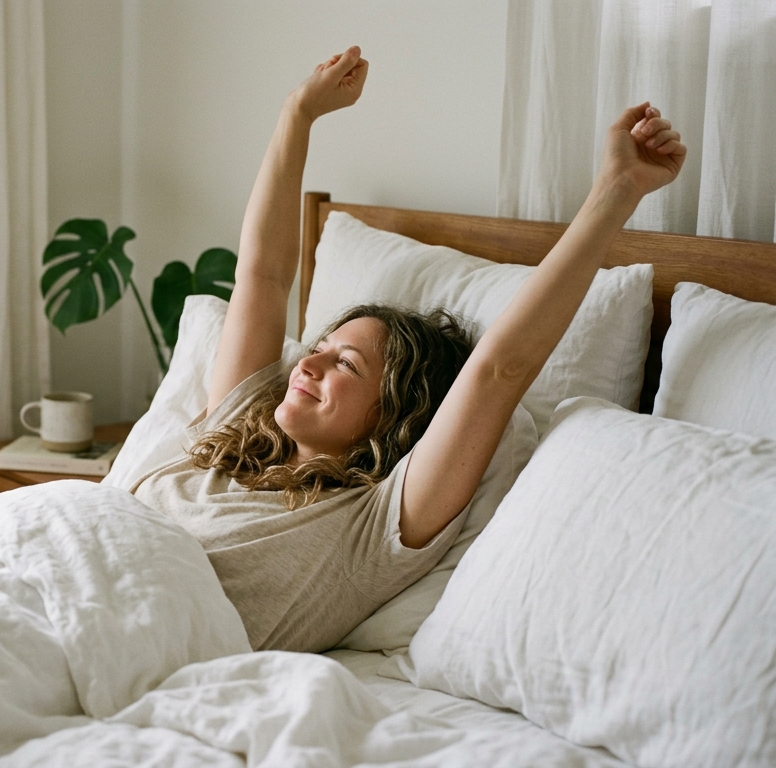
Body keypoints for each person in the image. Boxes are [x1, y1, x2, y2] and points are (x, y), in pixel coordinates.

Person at [132, 46, 686, 653]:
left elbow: (499, 370)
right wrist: (298, 113)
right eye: (322, 347)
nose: (307, 364)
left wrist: (618, 189)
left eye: (346, 364)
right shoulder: (239, 426)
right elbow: (261, 277)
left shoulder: (370, 526)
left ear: (396, 414)